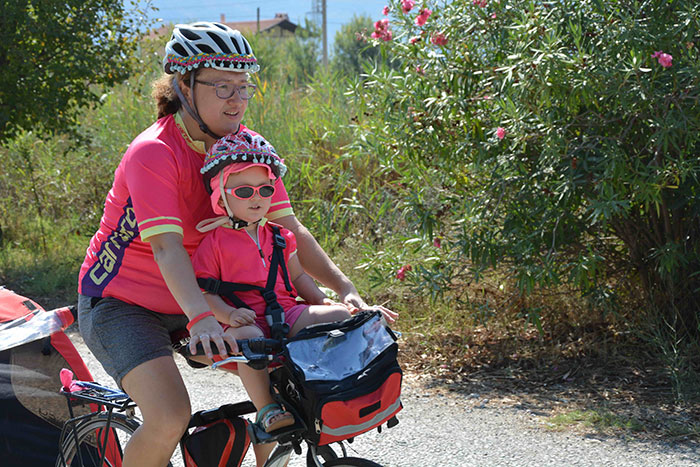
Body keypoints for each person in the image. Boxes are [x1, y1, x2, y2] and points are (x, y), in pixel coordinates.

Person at [76, 22, 378, 467]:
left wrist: (343, 286)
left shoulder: (246, 149)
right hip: (123, 303)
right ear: (184, 86)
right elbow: (167, 249)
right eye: (221, 86)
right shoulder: (154, 152)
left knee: (285, 396)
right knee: (168, 416)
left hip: (207, 296)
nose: (236, 99)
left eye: (243, 86)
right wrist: (200, 318)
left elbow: (289, 228)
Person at [191, 131, 355, 436]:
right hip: (247, 320)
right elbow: (203, 294)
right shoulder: (213, 243)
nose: (256, 198)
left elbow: (299, 277)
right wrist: (227, 316)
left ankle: (325, 388)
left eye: (265, 190)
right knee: (250, 339)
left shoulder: (281, 236)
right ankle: (266, 407)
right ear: (221, 195)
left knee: (340, 318)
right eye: (243, 192)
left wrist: (320, 300)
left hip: (287, 313)